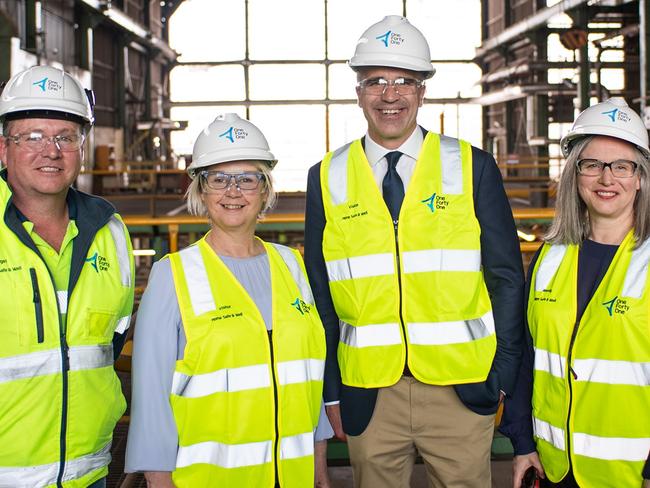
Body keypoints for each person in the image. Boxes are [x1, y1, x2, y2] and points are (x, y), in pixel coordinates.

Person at [304, 15, 525, 488]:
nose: (390, 94)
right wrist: (330, 392)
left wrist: (503, 371)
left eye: (404, 81)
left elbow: (506, 277)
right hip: (367, 391)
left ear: (422, 90)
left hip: (461, 389)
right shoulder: (325, 177)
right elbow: (320, 295)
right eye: (376, 81)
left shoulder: (472, 167)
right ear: (358, 91)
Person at [125, 113, 329, 487]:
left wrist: (319, 472)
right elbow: (151, 399)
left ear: (265, 190)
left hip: (294, 477)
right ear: (202, 191)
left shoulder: (291, 265)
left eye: (247, 179)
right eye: (219, 179)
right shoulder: (174, 275)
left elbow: (307, 379)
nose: (233, 191)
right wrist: (159, 480)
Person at [500, 97, 650, 488]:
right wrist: (522, 443)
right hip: (555, 467)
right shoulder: (550, 257)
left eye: (622, 166)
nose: (606, 179)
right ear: (574, 174)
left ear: (640, 177)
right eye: (592, 164)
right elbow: (526, 358)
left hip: (631, 472)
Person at [0, 65, 135, 488]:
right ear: (3, 149)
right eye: (33, 136)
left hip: (89, 471)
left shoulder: (110, 231)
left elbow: (111, 342)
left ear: (81, 146)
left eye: (65, 137)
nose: (51, 150)